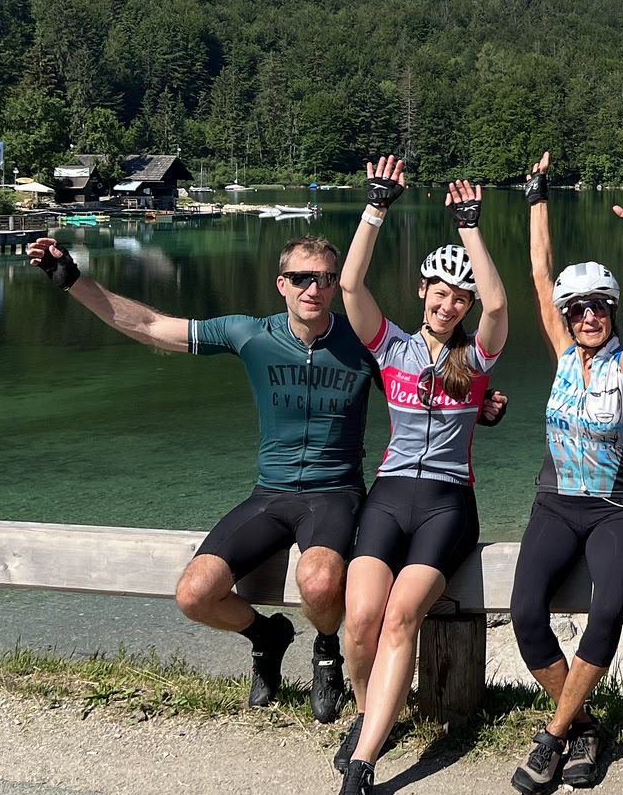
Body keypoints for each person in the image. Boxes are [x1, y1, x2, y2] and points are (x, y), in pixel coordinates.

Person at [23, 231, 371, 723]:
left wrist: (478, 404)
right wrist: (73, 282)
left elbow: (423, 378)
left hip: (336, 491)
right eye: (301, 278)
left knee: (317, 582)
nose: (313, 288)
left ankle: (326, 651)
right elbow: (148, 324)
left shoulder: (364, 340)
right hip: (270, 492)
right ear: (282, 284)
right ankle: (265, 636)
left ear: (337, 286)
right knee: (194, 595)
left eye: (325, 279)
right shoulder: (252, 334)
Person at [330, 155, 509, 795]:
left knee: (402, 617)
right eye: (440, 291)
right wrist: (376, 206)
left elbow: (498, 303)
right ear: (423, 292)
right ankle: (367, 713)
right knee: (359, 627)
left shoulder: (476, 359)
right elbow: (349, 286)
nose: (449, 303)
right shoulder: (393, 348)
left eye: (457, 297)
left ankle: (363, 765)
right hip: (389, 496)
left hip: (445, 504)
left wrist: (470, 229)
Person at [507, 151, 623, 795]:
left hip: (614, 509)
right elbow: (539, 275)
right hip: (556, 502)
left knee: (605, 616)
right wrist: (537, 197)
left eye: (599, 307)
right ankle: (586, 724)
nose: (591, 316)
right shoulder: (565, 356)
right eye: (580, 310)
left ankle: (552, 738)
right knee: (523, 615)